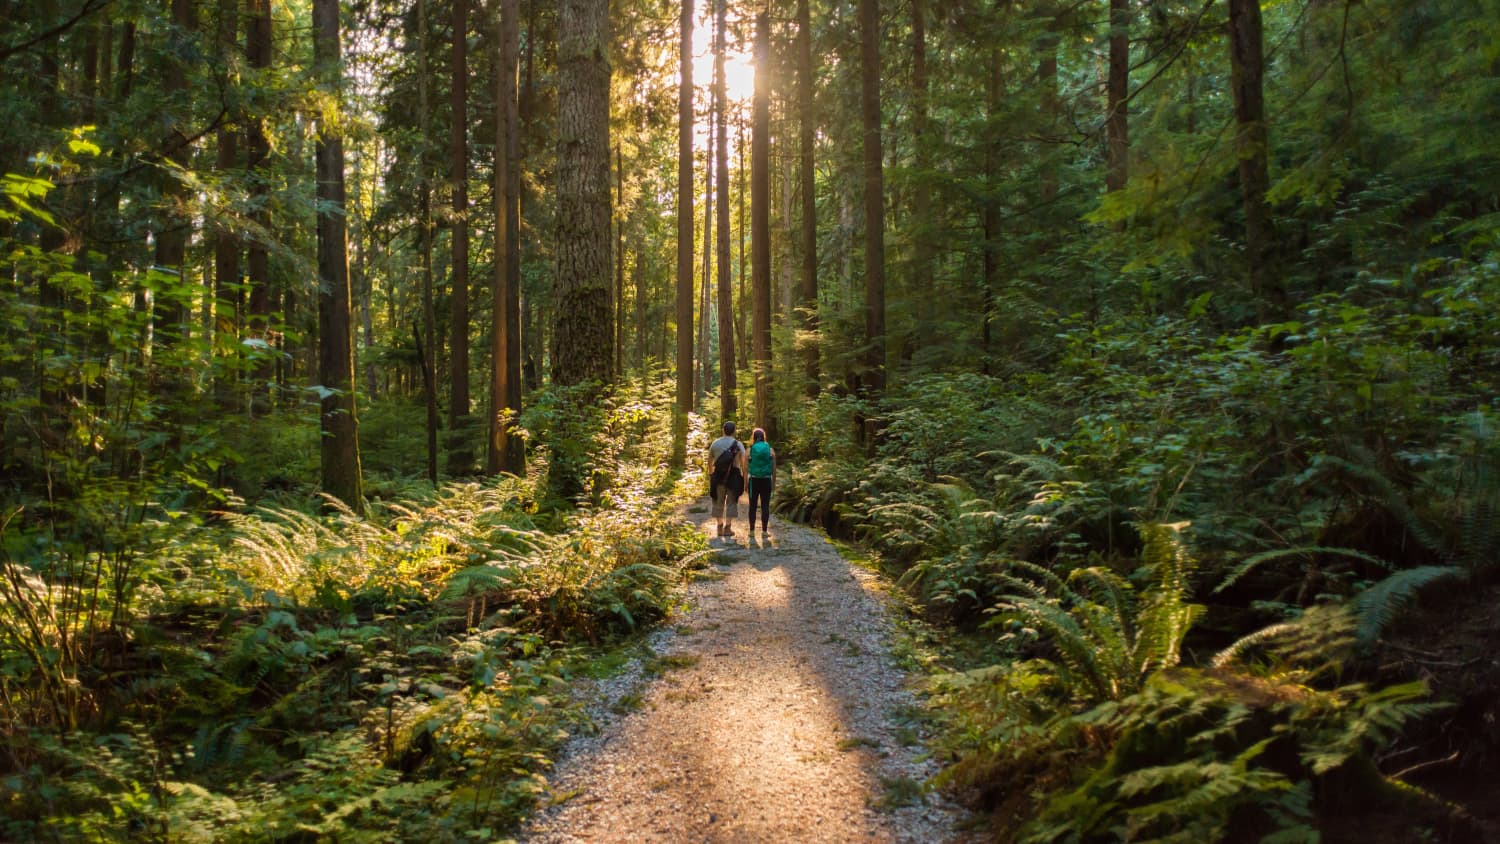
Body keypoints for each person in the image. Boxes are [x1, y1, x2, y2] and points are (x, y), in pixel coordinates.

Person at [708, 421, 746, 537]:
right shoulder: (738, 445)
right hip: (734, 476)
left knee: (718, 500)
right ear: (734, 431)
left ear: (723, 430)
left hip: (718, 475)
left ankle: (719, 527)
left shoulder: (715, 444)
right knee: (731, 501)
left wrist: (711, 475)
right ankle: (728, 527)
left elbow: (709, 462)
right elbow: (744, 464)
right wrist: (744, 478)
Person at [746, 427, 776, 534]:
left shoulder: (750, 450)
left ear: (753, 438)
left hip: (753, 480)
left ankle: (752, 529)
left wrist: (746, 483)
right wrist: (774, 483)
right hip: (766, 480)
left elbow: (746, 469)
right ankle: (764, 530)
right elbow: (773, 469)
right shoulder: (770, 450)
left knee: (752, 505)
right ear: (764, 437)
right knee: (765, 505)